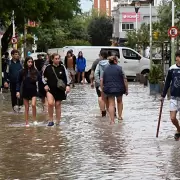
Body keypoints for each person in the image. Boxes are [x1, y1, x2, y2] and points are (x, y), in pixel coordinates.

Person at [43, 53, 70, 126]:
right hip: (50, 89)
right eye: (56, 59)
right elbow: (43, 77)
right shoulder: (48, 67)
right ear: (52, 59)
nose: (58, 60)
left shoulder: (62, 67)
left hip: (60, 89)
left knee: (58, 104)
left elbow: (67, 77)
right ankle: (51, 120)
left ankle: (58, 121)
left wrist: (67, 86)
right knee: (50, 103)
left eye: (59, 58)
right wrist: (45, 85)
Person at [101, 56, 128, 124]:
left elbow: (102, 80)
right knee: (119, 101)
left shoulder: (105, 69)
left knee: (111, 104)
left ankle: (112, 121)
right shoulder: (120, 68)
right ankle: (119, 117)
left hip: (109, 89)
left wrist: (102, 89)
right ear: (115, 61)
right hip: (119, 88)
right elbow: (125, 80)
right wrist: (126, 89)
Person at [16, 56, 41, 127]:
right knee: (26, 107)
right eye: (29, 62)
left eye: (31, 62)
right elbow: (18, 82)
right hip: (25, 90)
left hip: (33, 90)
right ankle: (27, 122)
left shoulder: (35, 71)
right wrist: (17, 91)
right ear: (26, 62)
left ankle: (34, 120)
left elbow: (40, 80)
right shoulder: (22, 72)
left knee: (33, 105)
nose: (30, 63)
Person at [161, 50, 180, 140]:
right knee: (172, 118)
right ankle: (178, 129)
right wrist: (163, 95)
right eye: (178, 57)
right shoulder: (172, 69)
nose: (178, 58)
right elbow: (167, 82)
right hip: (173, 97)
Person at [94, 50, 109, 117]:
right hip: (109, 83)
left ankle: (103, 112)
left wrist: (99, 83)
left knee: (101, 97)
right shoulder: (110, 63)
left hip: (100, 83)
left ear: (102, 56)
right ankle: (112, 112)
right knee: (110, 98)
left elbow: (96, 74)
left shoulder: (99, 64)